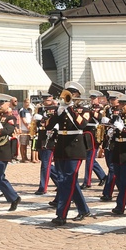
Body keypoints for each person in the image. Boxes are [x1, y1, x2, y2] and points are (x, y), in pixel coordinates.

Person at [47, 82, 93, 225]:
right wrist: (59, 112)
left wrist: (70, 110)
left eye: (71, 95)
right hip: (61, 146)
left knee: (68, 180)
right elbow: (48, 125)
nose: (67, 97)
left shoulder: (82, 109)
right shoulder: (60, 108)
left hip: (75, 147)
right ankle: (83, 209)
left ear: (77, 96)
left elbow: (82, 125)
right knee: (65, 181)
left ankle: (61, 215)